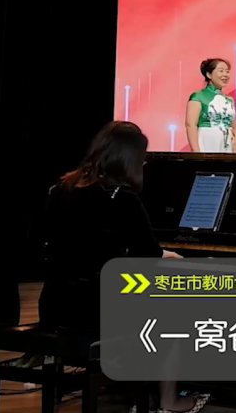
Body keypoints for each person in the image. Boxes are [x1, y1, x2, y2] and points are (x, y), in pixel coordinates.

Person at [39, 122, 209, 413]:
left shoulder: (59, 189)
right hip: (96, 311)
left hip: (55, 305)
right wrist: (165, 256)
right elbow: (149, 256)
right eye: (142, 158)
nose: (143, 164)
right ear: (129, 159)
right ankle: (169, 400)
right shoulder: (122, 196)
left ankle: (127, 388)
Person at [185, 58, 236, 153]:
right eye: (221, 71)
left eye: (227, 71)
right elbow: (191, 125)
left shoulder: (229, 99)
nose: (225, 75)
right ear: (209, 74)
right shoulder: (198, 96)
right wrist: (196, 151)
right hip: (207, 139)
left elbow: (234, 127)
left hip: (227, 141)